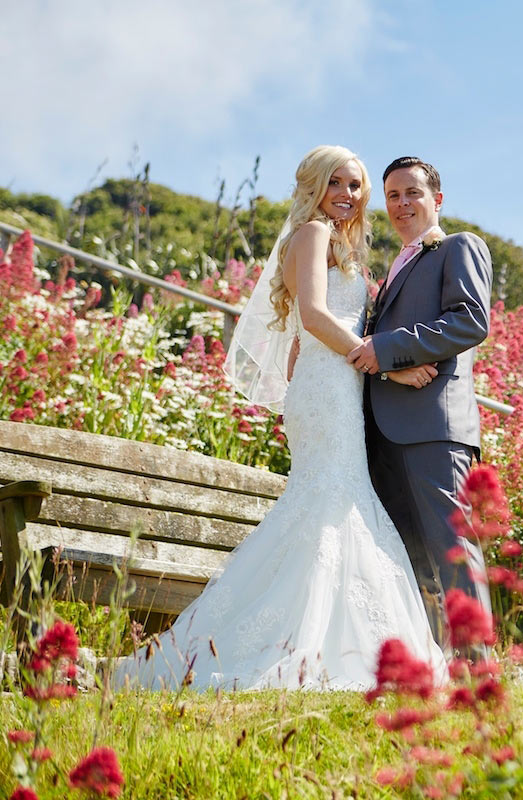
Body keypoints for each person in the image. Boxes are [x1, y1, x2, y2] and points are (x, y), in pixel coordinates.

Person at [115, 146, 446, 690]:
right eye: (335, 182)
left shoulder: (332, 242)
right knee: (331, 501)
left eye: (355, 185)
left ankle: (334, 634)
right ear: (314, 187)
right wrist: (386, 365)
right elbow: (315, 314)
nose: (347, 194)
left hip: (332, 382)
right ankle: (312, 642)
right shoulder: (314, 234)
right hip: (329, 388)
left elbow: (305, 325)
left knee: (329, 502)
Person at [346, 157, 492, 658]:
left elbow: (469, 322)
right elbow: (374, 348)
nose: (402, 204)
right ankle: (432, 662)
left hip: (434, 427)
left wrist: (386, 349)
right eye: (392, 195)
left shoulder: (457, 247)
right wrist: (385, 363)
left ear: (438, 199)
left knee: (452, 549)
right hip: (384, 432)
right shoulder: (395, 269)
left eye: (412, 193)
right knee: (408, 558)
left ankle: (478, 666)